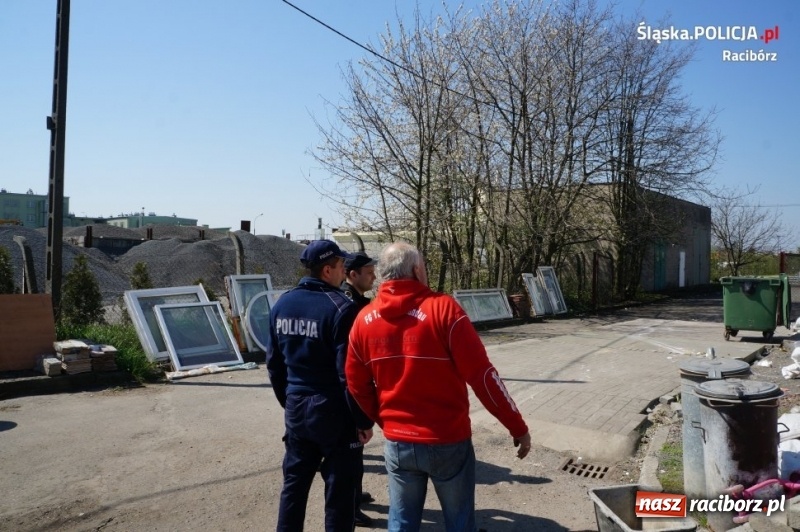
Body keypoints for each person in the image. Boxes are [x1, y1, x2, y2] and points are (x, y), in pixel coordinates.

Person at [345, 242, 532, 532]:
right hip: (447, 439)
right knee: (458, 522)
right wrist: (517, 426)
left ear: (383, 274)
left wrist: (385, 420)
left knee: (401, 523)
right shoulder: (444, 309)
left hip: (398, 442)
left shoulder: (363, 320)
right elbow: (483, 377)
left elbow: (356, 383)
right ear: (417, 270)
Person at [266, 239, 374, 532]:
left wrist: (289, 400)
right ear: (328, 270)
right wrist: (362, 419)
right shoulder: (341, 308)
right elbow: (348, 374)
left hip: (297, 407)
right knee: (340, 492)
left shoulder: (282, 304)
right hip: (333, 411)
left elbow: (274, 365)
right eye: (341, 266)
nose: (344, 272)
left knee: (294, 486)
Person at [340, 251, 378, 527]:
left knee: (356, 450)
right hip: (348, 388)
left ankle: (355, 493)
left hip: (352, 386)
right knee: (350, 450)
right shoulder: (347, 304)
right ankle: (349, 507)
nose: (373, 277)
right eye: (369, 273)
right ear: (352, 275)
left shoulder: (355, 300)